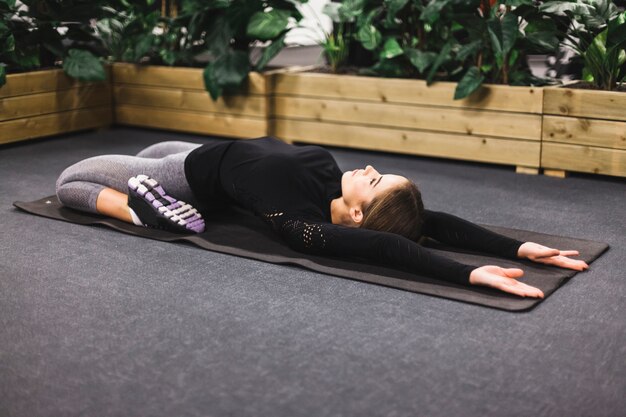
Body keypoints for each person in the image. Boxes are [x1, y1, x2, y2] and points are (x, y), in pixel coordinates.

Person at [56, 136, 588, 298]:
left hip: (191, 174)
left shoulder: (302, 226)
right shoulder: (330, 193)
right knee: (150, 150)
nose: (372, 166)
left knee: (70, 182)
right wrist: (516, 246)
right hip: (214, 156)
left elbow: (393, 246)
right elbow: (432, 221)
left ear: (355, 215)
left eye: (376, 181)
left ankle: (141, 210)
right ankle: (152, 197)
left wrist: (466, 272)